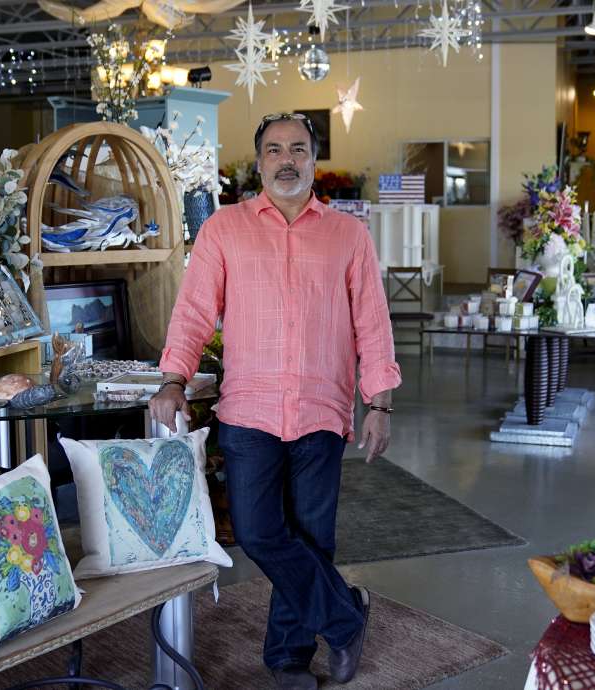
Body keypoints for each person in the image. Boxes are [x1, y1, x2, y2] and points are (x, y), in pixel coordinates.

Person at [150, 113, 401, 690]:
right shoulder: (223, 230)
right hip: (249, 412)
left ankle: (287, 659)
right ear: (258, 161)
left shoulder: (348, 236)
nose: (286, 160)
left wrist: (380, 403)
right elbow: (192, 313)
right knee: (260, 533)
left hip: (322, 409)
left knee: (313, 538)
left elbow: (373, 323)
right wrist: (173, 380)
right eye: (273, 150)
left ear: (313, 159)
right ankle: (344, 618)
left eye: (297, 149)